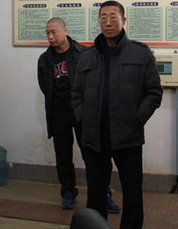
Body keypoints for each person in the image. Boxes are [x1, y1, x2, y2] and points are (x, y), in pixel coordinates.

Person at [72, 0, 163, 228]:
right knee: (95, 193)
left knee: (132, 193)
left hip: (127, 136)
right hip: (95, 138)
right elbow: (76, 93)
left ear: (124, 20)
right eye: (103, 17)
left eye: (113, 17)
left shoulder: (141, 53)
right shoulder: (87, 55)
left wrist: (136, 119)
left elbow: (153, 92)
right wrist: (83, 117)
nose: (108, 22)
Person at [37, 17, 120, 213]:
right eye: (47, 33)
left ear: (65, 31)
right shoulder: (45, 59)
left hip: (82, 111)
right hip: (58, 113)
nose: (50, 37)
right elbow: (44, 86)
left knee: (93, 155)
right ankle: (68, 191)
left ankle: (102, 194)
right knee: (63, 155)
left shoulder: (84, 53)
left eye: (54, 32)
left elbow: (94, 82)